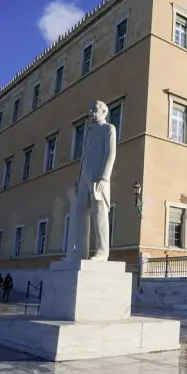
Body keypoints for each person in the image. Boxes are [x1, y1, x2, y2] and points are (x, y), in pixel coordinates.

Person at [65, 100, 116, 262]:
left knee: (100, 212)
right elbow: (85, 156)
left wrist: (104, 177)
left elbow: (110, 154)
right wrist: (78, 177)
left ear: (104, 112)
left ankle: (102, 251)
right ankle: (80, 251)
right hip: (84, 178)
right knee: (80, 213)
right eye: (91, 109)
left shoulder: (109, 129)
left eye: (95, 109)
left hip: (98, 177)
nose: (91, 111)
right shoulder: (90, 131)